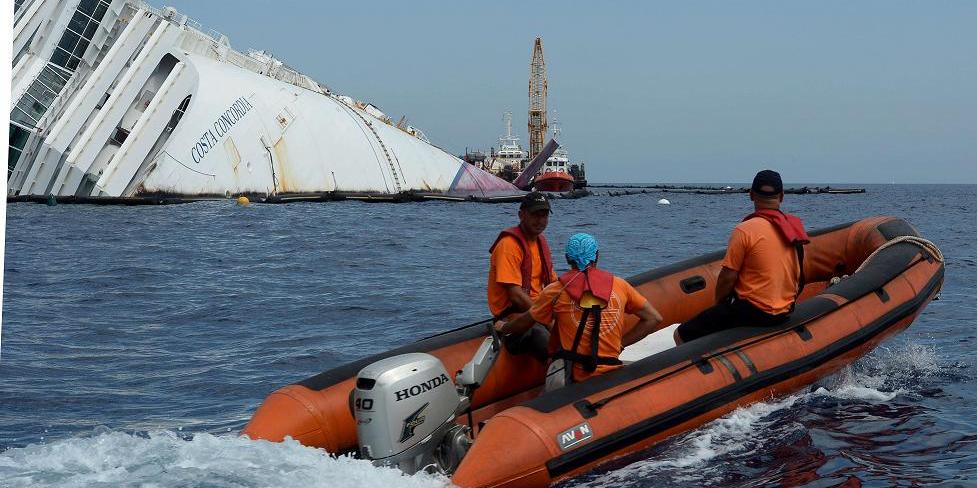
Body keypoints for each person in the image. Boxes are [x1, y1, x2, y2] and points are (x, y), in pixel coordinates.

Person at [496, 233, 662, 390]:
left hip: (575, 379)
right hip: (611, 372)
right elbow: (653, 318)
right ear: (597, 255)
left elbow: (525, 322)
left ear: (568, 258)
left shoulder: (556, 291)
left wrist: (503, 327)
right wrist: (621, 344)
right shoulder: (620, 285)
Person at [675, 169, 810, 344]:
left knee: (681, 333)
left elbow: (727, 277)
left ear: (751, 195)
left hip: (754, 313)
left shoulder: (744, 230)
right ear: (782, 196)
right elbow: (799, 277)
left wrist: (719, 305)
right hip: (784, 312)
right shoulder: (793, 229)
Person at [487, 191, 558, 359]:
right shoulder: (509, 245)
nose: (540, 220)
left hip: (537, 311)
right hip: (514, 320)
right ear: (521, 215)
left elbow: (553, 286)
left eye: (544, 215)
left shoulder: (541, 242)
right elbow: (516, 295)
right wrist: (548, 320)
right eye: (535, 215)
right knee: (545, 338)